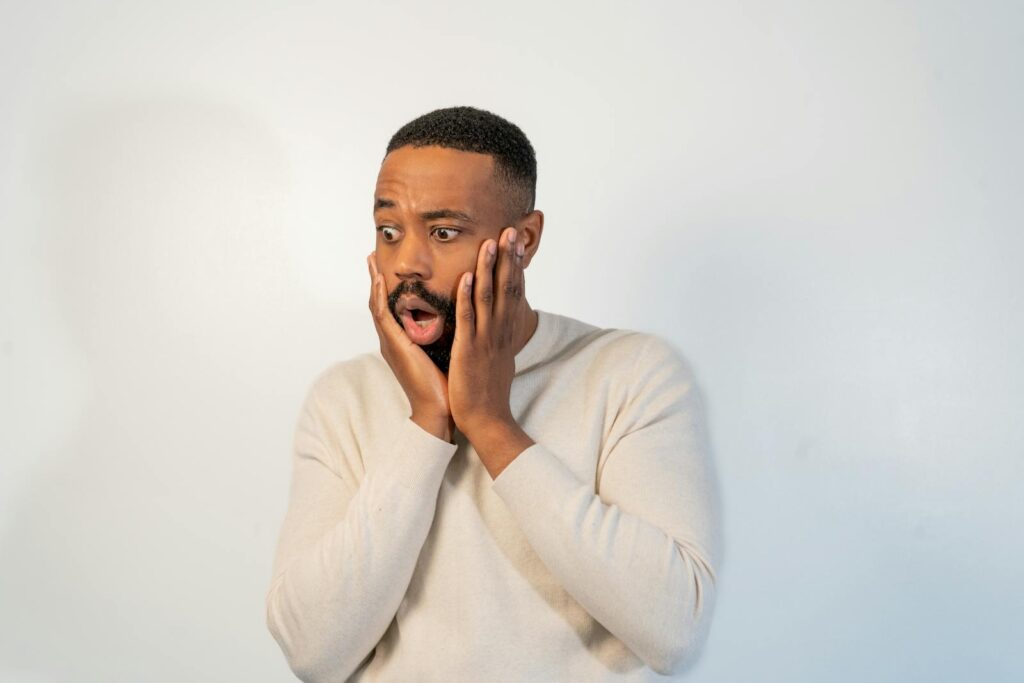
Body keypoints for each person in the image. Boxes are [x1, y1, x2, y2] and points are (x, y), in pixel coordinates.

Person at [265, 106, 721, 681]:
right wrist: (427, 423)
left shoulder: (630, 374)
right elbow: (312, 652)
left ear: (523, 240)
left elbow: (673, 631)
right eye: (389, 232)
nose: (406, 264)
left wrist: (489, 422)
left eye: (443, 232)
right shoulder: (345, 397)